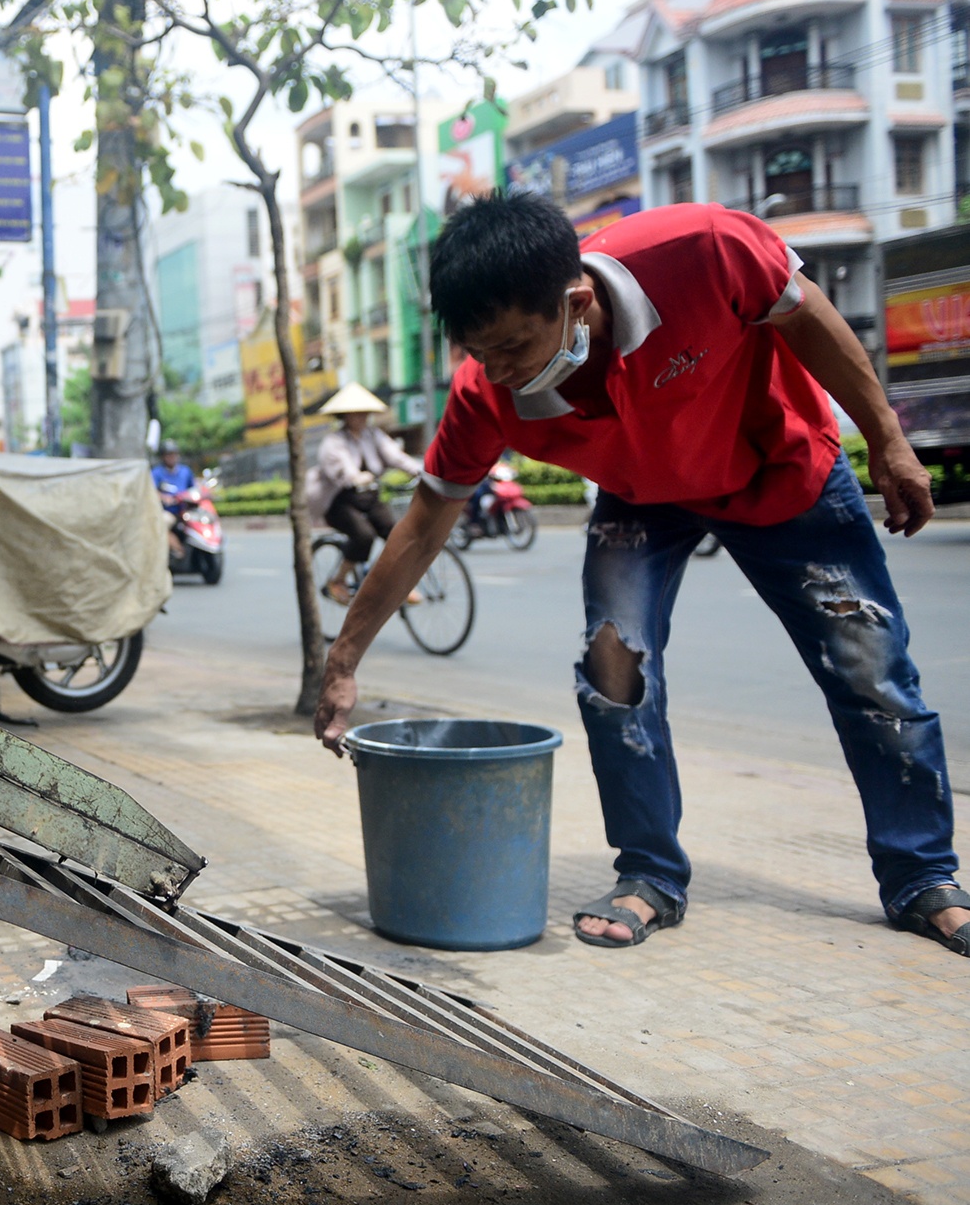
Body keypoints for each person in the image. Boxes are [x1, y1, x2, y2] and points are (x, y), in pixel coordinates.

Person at [312, 192, 966, 959]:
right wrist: (344, 660)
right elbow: (423, 526)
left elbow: (808, 315)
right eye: (479, 351)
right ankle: (649, 874)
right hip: (642, 497)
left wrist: (888, 440)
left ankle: (923, 876)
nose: (500, 371)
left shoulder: (702, 248)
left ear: (576, 302)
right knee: (612, 667)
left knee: (871, 670)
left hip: (784, 474)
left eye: (516, 346)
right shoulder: (484, 389)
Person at [302, 385, 423, 603]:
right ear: (344, 416)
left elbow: (396, 456)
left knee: (397, 534)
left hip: (369, 497)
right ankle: (338, 580)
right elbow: (342, 468)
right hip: (339, 503)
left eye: (363, 412)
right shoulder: (334, 442)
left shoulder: (374, 435)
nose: (361, 417)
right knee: (364, 536)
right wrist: (356, 477)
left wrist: (421, 472)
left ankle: (399, 586)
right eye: (355, 413)